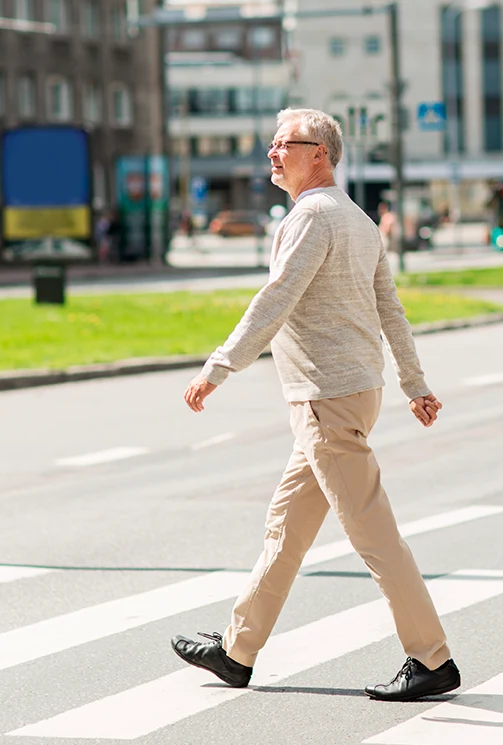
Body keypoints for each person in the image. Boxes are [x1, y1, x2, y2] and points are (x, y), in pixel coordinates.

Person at [172, 108, 460, 702]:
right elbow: (391, 309)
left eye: (286, 145)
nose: (273, 154)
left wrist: (218, 367)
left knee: (374, 536)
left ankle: (432, 659)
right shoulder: (356, 219)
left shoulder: (313, 217)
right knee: (287, 527)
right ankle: (237, 650)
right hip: (350, 394)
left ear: (320, 154)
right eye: (272, 144)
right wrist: (413, 383)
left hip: (327, 400)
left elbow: (276, 297)